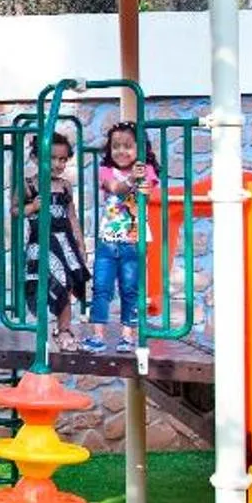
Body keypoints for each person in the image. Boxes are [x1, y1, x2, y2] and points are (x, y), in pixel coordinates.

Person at [90, 122, 160, 351]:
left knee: (130, 287)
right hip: (108, 239)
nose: (121, 151)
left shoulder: (146, 169)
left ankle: (128, 335)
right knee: (101, 286)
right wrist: (131, 180)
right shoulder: (106, 171)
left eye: (128, 146)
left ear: (140, 148)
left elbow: (147, 193)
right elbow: (115, 188)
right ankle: (98, 335)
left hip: (133, 239)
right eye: (116, 146)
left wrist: (144, 185)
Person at [25, 129, 88, 346]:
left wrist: (80, 244)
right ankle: (44, 327)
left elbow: (72, 216)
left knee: (68, 283)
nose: (58, 164)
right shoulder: (29, 185)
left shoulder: (64, 186)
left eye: (62, 159)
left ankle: (64, 329)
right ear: (35, 158)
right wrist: (32, 206)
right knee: (46, 282)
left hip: (65, 241)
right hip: (42, 241)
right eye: (51, 158)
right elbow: (16, 210)